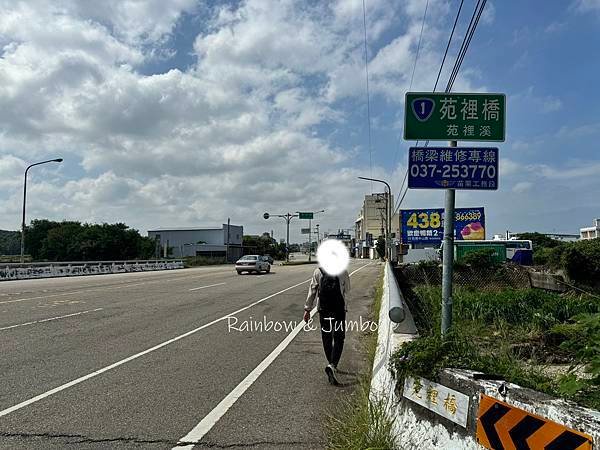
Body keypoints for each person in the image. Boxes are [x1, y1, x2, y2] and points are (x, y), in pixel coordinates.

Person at [303, 266, 350, 385]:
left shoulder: (318, 271)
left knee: (326, 337)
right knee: (339, 338)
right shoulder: (343, 271)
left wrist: (307, 309)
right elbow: (347, 291)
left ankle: (331, 363)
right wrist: (345, 308)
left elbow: (312, 291)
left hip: (324, 310)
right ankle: (332, 365)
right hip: (339, 310)